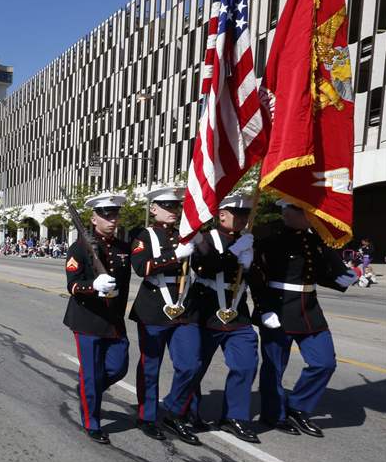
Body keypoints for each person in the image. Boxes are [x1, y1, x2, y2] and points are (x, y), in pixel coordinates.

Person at [253, 201, 356, 437]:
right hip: (279, 308)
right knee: (274, 367)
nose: (312, 215)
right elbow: (257, 279)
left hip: (309, 311)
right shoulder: (271, 242)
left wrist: (340, 280)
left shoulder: (314, 241)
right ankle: (274, 415)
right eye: (305, 211)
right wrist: (264, 309)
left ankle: (298, 407)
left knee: (324, 362)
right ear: (288, 214)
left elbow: (316, 274)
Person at [179, 195, 262, 442]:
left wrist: (251, 266)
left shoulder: (248, 241)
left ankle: (234, 416)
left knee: (246, 364)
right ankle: (187, 411)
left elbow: (257, 281)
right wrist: (235, 253)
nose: (243, 218)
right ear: (221, 214)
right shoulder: (204, 239)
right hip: (204, 309)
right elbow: (206, 265)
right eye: (238, 214)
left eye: (246, 214)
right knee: (195, 366)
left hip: (237, 313)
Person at [129, 187, 201, 445]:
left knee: (191, 364)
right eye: (167, 206)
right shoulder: (143, 235)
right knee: (150, 367)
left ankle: (174, 410)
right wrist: (174, 256)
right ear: (153, 209)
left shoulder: (188, 234)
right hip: (154, 308)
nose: (173, 211)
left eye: (176, 207)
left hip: (185, 308)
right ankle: (147, 416)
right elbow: (141, 267)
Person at [63, 193, 132, 444]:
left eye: (114, 214)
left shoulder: (123, 248)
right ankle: (92, 421)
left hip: (113, 320)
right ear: (93, 218)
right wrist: (93, 286)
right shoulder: (79, 248)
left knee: (118, 366)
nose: (111, 219)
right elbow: (72, 286)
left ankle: (86, 392)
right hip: (88, 320)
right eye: (105, 215)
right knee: (91, 374)